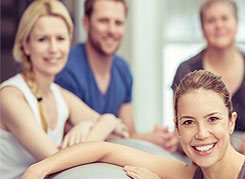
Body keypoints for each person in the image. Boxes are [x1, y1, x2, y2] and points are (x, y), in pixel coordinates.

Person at [6, 70, 245, 179]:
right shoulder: (187, 177)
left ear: (231, 122)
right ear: (177, 129)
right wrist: (38, 170)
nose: (202, 133)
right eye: (188, 122)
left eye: (213, 119)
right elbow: (104, 151)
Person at [0, 0, 129, 179]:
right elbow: (59, 161)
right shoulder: (10, 97)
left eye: (60, 39)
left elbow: (120, 130)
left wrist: (96, 124)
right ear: (26, 45)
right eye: (42, 39)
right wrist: (104, 122)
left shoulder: (59, 95)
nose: (53, 49)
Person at [54, 0, 178, 152]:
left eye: (118, 23)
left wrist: (159, 138)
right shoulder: (65, 69)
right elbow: (76, 141)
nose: (111, 30)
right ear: (86, 23)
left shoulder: (123, 69)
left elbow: (127, 133)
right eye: (103, 21)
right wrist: (147, 139)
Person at [172, 0, 245, 159]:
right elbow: (180, 128)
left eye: (225, 18)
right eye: (211, 20)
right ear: (202, 28)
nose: (218, 25)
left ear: (237, 23)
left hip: (243, 154)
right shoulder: (186, 69)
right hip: (200, 155)